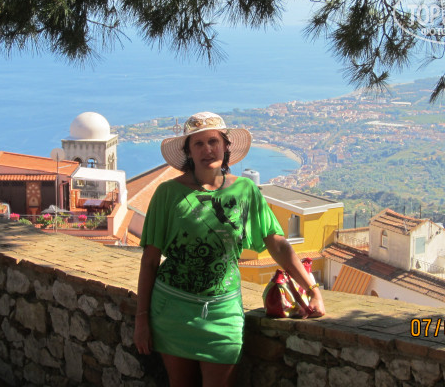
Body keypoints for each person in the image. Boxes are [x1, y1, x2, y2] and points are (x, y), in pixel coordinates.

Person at [134, 112, 325, 386]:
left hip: (223, 312)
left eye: (213, 141)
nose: (207, 149)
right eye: (198, 144)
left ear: (226, 146)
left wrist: (312, 289)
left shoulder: (245, 190)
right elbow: (150, 261)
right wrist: (141, 319)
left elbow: (278, 245)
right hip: (172, 309)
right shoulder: (168, 193)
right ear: (188, 151)